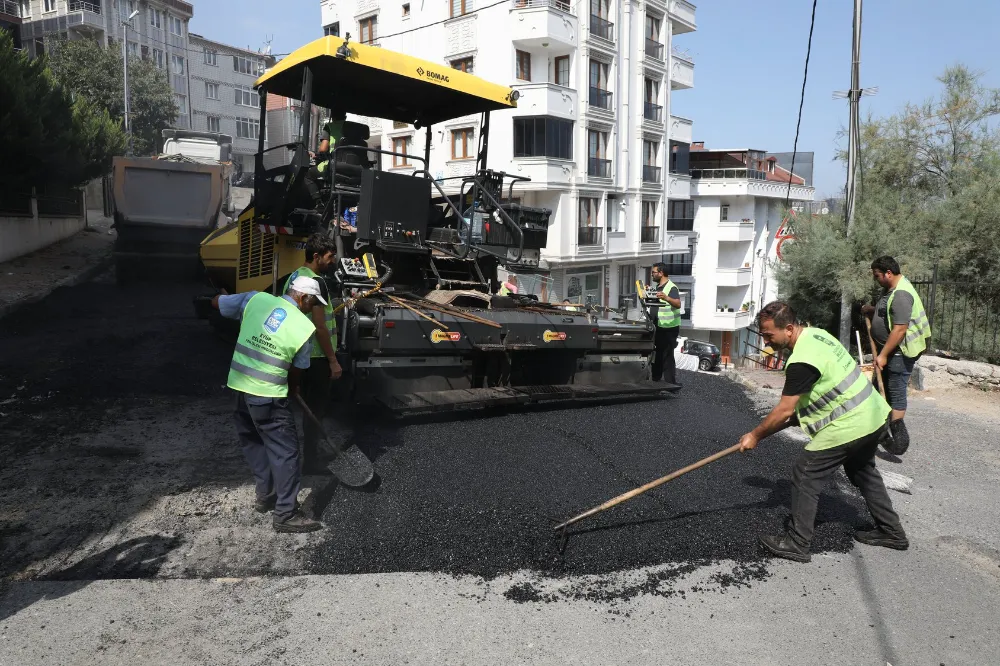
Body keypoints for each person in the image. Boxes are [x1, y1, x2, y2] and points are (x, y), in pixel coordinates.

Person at [738, 301, 908, 563]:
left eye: (769, 334)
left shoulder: (801, 361)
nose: (765, 339)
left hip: (850, 424)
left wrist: (755, 435)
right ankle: (891, 531)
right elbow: (824, 387)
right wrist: (799, 416)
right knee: (863, 472)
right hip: (874, 414)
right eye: (763, 334)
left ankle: (797, 542)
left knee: (805, 473)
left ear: (790, 328)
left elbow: (784, 410)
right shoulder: (818, 335)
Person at [210, 277, 329, 533]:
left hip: (239, 389)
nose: (312, 308)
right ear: (303, 297)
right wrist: (293, 388)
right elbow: (296, 372)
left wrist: (220, 297)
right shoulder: (303, 328)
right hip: (267, 396)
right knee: (286, 452)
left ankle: (266, 496)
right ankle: (285, 514)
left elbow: (217, 303)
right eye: (313, 303)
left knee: (254, 442)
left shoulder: (256, 299)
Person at [282, 233, 343, 475]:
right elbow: (319, 326)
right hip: (316, 357)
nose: (333, 261)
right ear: (316, 256)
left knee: (305, 408)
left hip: (300, 354)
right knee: (315, 411)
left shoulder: (295, 276)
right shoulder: (316, 283)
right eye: (330, 257)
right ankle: (311, 461)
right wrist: (333, 360)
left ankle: (307, 455)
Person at [862, 256, 932, 455]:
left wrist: (883, 355)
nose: (876, 279)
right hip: (892, 351)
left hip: (901, 351)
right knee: (880, 390)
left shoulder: (901, 294)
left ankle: (899, 440)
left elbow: (900, 329)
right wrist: (873, 311)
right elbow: (890, 311)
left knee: (894, 391)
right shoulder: (894, 289)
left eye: (877, 276)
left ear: (888, 273)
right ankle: (877, 431)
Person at [649, 262, 682, 384]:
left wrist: (666, 298)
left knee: (667, 355)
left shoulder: (671, 287)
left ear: (661, 273)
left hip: (669, 327)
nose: (652, 274)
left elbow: (678, 304)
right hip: (659, 326)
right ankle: (655, 378)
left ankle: (670, 383)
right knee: (658, 353)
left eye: (654, 272)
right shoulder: (658, 287)